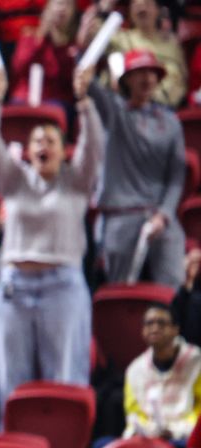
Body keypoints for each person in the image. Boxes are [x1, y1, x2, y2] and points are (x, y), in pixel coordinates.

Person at [0, 65, 101, 406]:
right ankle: (10, 446)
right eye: (37, 141)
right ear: (28, 150)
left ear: (64, 150)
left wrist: (84, 103)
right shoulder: (14, 180)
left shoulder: (76, 181)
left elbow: (95, 147)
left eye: (51, 140)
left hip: (62, 284)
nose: (43, 145)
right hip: (15, 284)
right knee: (7, 377)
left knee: (65, 374)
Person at [90, 50, 188, 286]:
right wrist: (86, 53)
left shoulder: (171, 122)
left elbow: (176, 175)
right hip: (121, 214)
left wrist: (164, 214)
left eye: (151, 73)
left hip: (159, 215)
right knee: (119, 290)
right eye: (139, 72)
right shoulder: (115, 113)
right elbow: (90, 87)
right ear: (126, 79)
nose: (146, 78)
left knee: (173, 287)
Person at [122, 302, 201, 443]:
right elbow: (133, 414)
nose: (154, 328)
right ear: (142, 331)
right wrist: (151, 431)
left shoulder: (196, 361)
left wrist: (177, 430)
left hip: (186, 436)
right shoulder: (135, 370)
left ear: (176, 329)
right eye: (149, 323)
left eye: (161, 323)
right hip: (149, 438)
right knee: (101, 446)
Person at [10, 0, 81, 113]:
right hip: (24, 98)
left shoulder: (73, 46)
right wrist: (41, 36)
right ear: (47, 9)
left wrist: (58, 42)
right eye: (59, 3)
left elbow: (68, 80)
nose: (62, 9)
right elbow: (19, 68)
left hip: (56, 100)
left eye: (68, 5)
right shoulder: (29, 37)